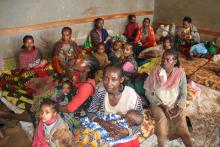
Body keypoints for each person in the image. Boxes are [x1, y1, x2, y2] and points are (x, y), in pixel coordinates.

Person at [144, 49, 193, 147]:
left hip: (174, 103)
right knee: (161, 122)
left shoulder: (180, 73)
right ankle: (161, 144)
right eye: (163, 59)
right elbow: (148, 92)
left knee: (182, 126)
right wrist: (162, 105)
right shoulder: (155, 71)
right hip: (158, 103)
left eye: (168, 59)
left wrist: (178, 107)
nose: (164, 62)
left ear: (175, 61)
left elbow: (183, 93)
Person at [87, 63, 143, 146]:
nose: (109, 83)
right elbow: (90, 112)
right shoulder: (101, 91)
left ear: (121, 80)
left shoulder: (131, 95)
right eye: (106, 78)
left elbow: (140, 119)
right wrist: (102, 122)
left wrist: (128, 132)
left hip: (125, 130)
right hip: (105, 126)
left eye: (114, 79)